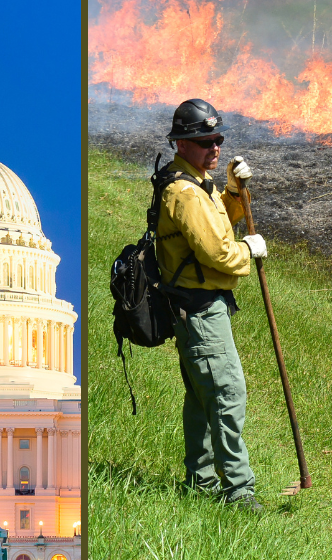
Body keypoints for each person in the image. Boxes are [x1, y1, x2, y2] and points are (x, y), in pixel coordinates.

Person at [156, 99, 266, 514]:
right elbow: (217, 252)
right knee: (225, 393)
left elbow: (217, 222)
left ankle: (200, 482)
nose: (214, 148)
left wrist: (235, 193)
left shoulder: (196, 183)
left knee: (203, 398)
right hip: (200, 310)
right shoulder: (184, 192)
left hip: (196, 306)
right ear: (182, 144)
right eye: (204, 141)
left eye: (217, 139)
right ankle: (238, 490)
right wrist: (248, 252)